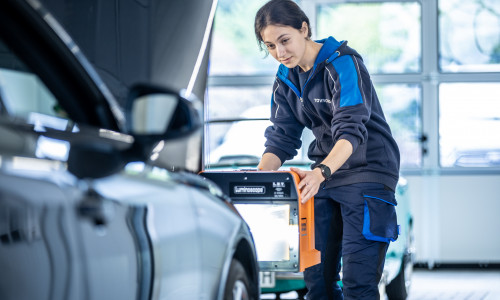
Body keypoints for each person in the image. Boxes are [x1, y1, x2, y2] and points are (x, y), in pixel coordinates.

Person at [254, 0, 401, 299]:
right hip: (325, 177)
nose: (279, 53)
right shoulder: (286, 77)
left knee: (358, 284)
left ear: (304, 29)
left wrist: (321, 171)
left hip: (367, 172)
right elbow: (282, 136)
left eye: (284, 41)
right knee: (317, 282)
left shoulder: (342, 63)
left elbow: (351, 130)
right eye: (270, 46)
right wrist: (257, 180)